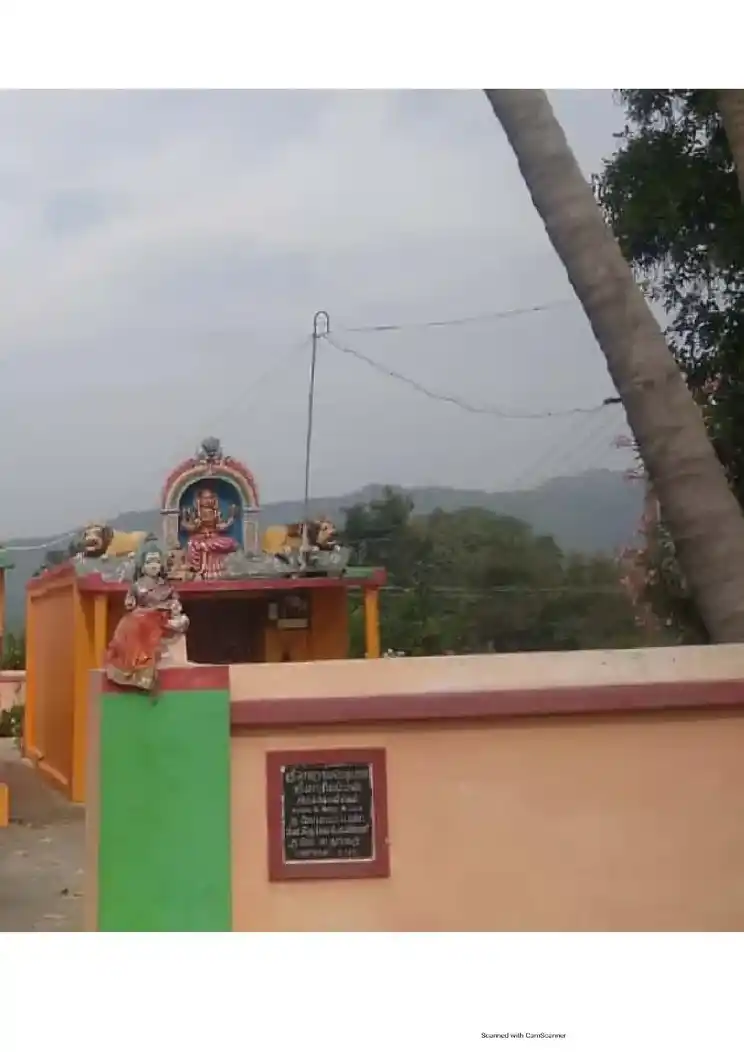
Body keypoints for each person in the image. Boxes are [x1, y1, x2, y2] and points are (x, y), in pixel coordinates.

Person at [104, 539, 189, 693]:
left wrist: (175, 610)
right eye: (150, 561)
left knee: (178, 620)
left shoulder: (166, 586)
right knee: (130, 623)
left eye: (157, 561)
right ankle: (137, 668)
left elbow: (175, 603)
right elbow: (130, 604)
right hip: (143, 618)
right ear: (142, 565)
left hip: (162, 618)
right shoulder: (137, 586)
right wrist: (133, 604)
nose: (154, 565)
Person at [181, 487, 239, 579]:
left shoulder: (216, 513)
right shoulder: (194, 513)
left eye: (210, 498)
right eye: (205, 498)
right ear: (199, 499)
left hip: (214, 538)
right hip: (198, 539)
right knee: (192, 544)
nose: (208, 500)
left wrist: (231, 518)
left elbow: (221, 527)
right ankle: (197, 570)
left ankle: (215, 570)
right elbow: (185, 526)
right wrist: (196, 526)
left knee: (231, 542)